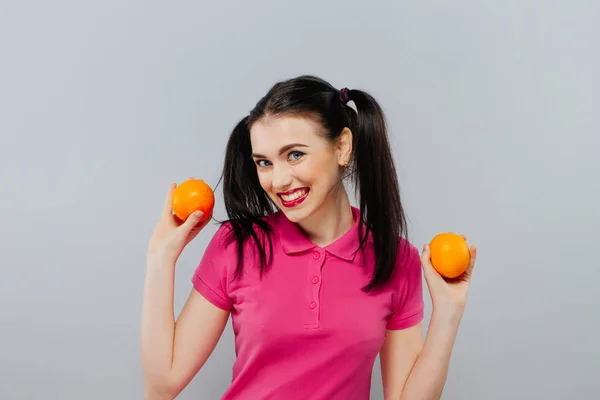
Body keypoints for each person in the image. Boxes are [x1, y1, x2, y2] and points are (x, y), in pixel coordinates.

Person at [140, 75, 478, 400]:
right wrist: (160, 258)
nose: (279, 180)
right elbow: (162, 387)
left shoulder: (395, 258)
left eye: (295, 155)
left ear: (342, 147)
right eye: (264, 162)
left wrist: (448, 314)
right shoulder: (237, 245)